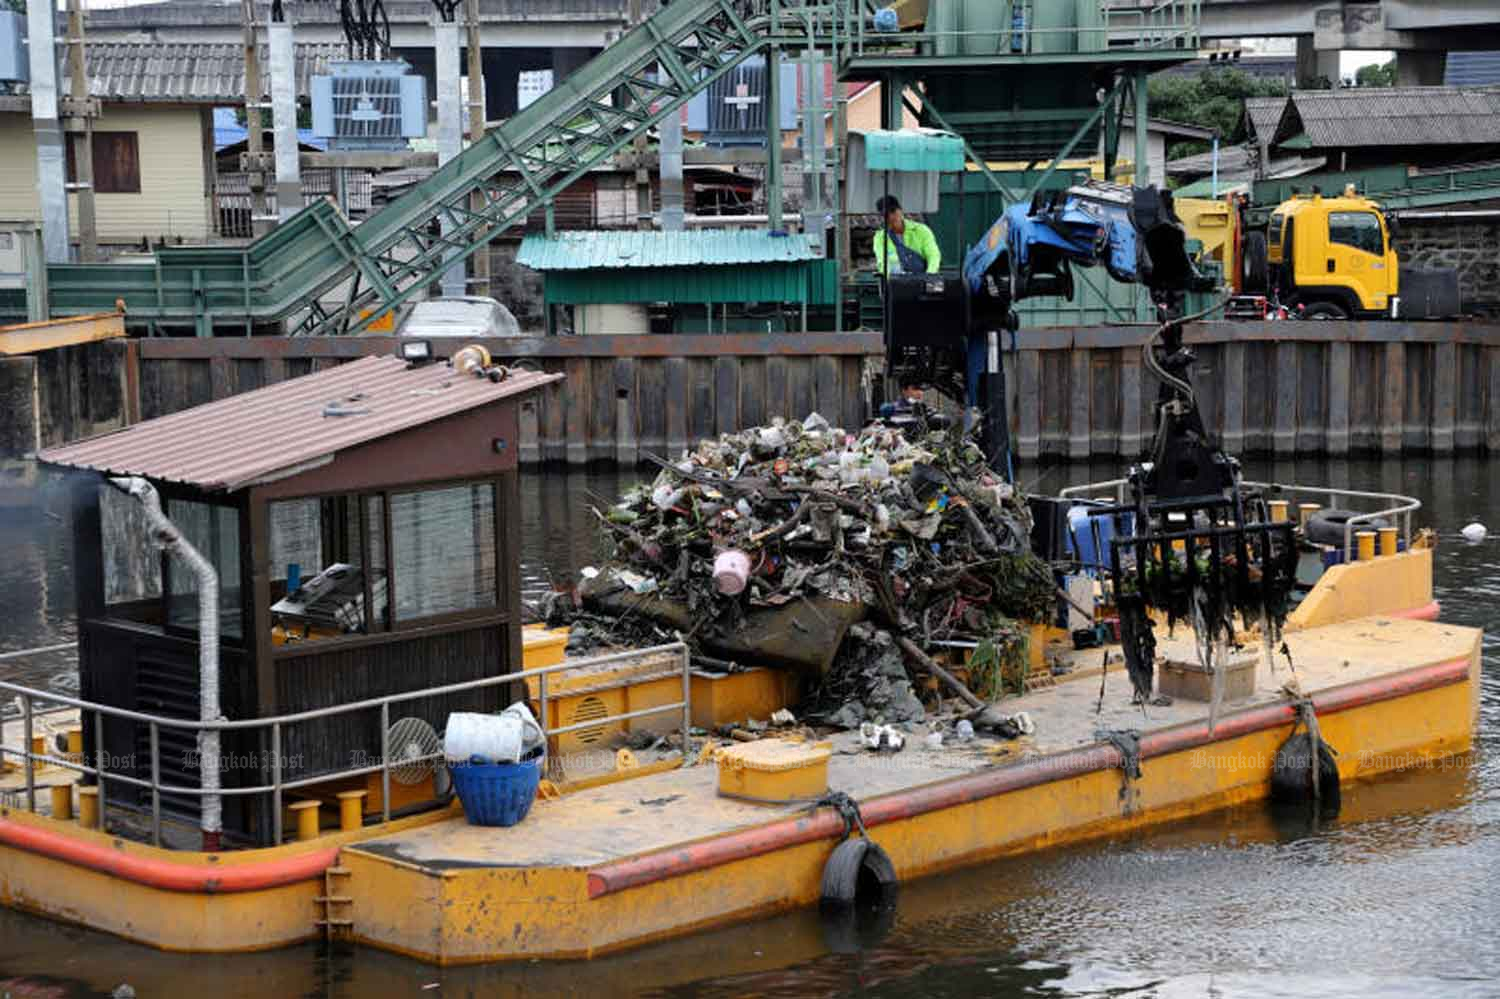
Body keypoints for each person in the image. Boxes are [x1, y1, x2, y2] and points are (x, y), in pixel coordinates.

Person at [872, 195, 941, 276]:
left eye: (893, 211)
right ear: (881, 217)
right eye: (886, 214)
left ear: (900, 210)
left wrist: (929, 276)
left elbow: (933, 255)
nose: (891, 216)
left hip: (921, 279)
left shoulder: (921, 230)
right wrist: (889, 280)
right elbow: (882, 262)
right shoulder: (880, 238)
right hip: (896, 282)